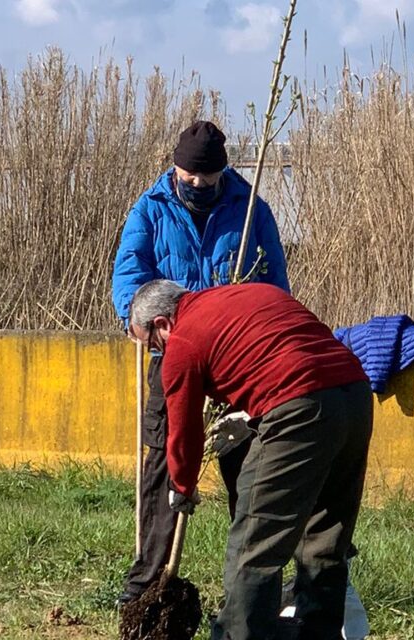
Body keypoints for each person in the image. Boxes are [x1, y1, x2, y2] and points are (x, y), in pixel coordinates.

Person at [127, 280, 373, 640]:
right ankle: (317, 633)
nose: (157, 352)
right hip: (355, 398)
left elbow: (183, 429)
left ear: (162, 324)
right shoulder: (245, 294)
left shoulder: (182, 341)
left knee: (254, 545)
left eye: (152, 345)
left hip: (298, 408)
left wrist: (181, 485)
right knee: (324, 539)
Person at [111, 120, 290, 607]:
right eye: (188, 176)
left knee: (248, 467)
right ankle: (148, 583)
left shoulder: (252, 210)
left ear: (222, 174)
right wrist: (138, 317)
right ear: (175, 167)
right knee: (165, 464)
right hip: (173, 353)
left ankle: (251, 590)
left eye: (206, 180)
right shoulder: (149, 210)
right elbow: (129, 275)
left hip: (236, 360)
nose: (196, 185)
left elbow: (274, 283)